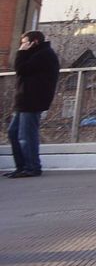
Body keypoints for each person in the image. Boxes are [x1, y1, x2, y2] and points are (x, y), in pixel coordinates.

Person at [6, 31, 59, 179]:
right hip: (24, 100)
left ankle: (32, 167)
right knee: (14, 132)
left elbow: (20, 69)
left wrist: (21, 53)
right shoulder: (36, 54)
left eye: (24, 42)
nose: (22, 46)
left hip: (33, 100)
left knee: (26, 135)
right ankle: (21, 167)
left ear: (34, 42)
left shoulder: (43, 55)